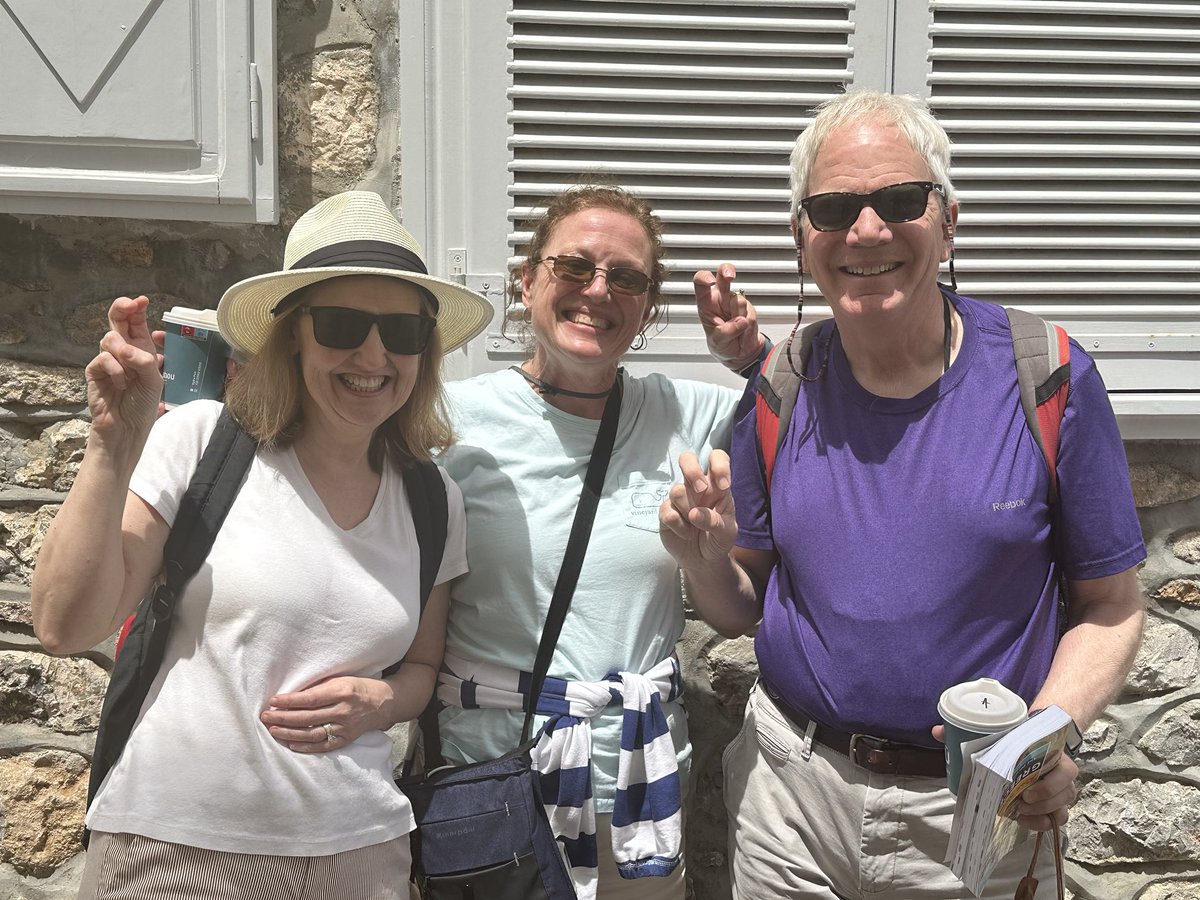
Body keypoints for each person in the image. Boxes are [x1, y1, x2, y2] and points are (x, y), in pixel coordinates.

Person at [659, 90, 1147, 899]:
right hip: (790, 798)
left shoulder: (1048, 376)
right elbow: (742, 606)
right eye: (834, 207)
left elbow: (1112, 605)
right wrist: (705, 562)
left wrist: (1043, 737)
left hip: (976, 811)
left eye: (899, 200)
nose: (867, 230)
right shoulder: (779, 386)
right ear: (801, 240)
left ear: (948, 220)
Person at [30, 191, 492, 900]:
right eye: (342, 323)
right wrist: (109, 448)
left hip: (365, 857)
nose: (374, 354)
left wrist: (381, 698)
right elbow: (66, 625)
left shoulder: (433, 499)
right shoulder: (201, 442)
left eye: (402, 331)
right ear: (294, 334)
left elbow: (423, 666)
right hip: (178, 852)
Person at [429, 184, 747, 900]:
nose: (597, 291)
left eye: (627, 277)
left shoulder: (687, 414)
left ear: (647, 304)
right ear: (529, 280)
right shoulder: (449, 419)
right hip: (499, 781)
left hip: (642, 789)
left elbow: (822, 401)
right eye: (574, 267)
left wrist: (749, 353)